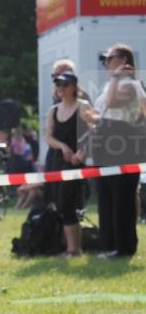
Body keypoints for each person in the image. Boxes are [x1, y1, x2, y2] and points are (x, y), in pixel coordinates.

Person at [91, 43, 146, 257]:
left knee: (121, 196)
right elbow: (101, 111)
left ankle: (123, 247)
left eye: (110, 58)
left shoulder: (130, 85)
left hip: (121, 138)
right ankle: (108, 245)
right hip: (105, 137)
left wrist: (115, 77)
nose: (106, 62)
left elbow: (114, 104)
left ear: (124, 61)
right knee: (105, 195)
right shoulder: (110, 84)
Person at [44, 66, 95, 257]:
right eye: (58, 84)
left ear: (74, 86)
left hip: (75, 162)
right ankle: (72, 247)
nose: (61, 88)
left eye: (65, 84)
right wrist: (63, 147)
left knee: (67, 203)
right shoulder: (53, 110)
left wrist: (81, 152)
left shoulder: (83, 106)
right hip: (57, 160)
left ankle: (74, 248)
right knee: (59, 203)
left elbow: (92, 132)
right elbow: (48, 137)